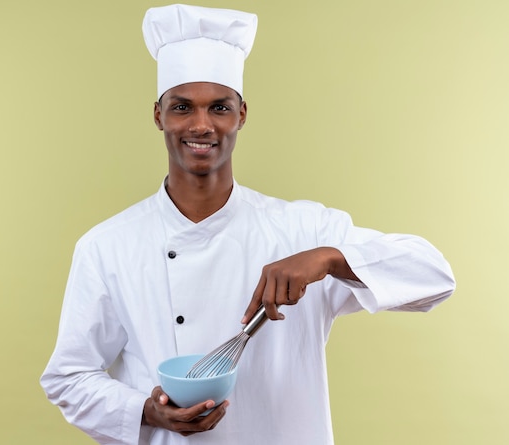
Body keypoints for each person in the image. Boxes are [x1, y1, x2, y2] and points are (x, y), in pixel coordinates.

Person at [40, 4, 455, 444]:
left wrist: (330, 259)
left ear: (241, 115)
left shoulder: (303, 229)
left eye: (219, 107)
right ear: (159, 115)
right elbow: (68, 377)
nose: (201, 125)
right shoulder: (108, 245)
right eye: (183, 107)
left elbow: (435, 277)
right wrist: (147, 411)